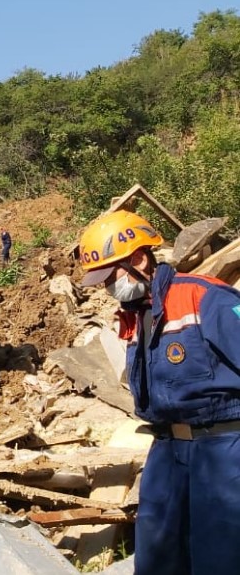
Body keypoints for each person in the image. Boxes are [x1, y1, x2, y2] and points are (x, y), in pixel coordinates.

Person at [77, 209, 240, 574]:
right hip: (167, 449)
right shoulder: (136, 316)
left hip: (224, 448)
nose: (106, 288)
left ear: (138, 259)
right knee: (156, 555)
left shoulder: (204, 298)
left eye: (109, 276)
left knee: (220, 557)